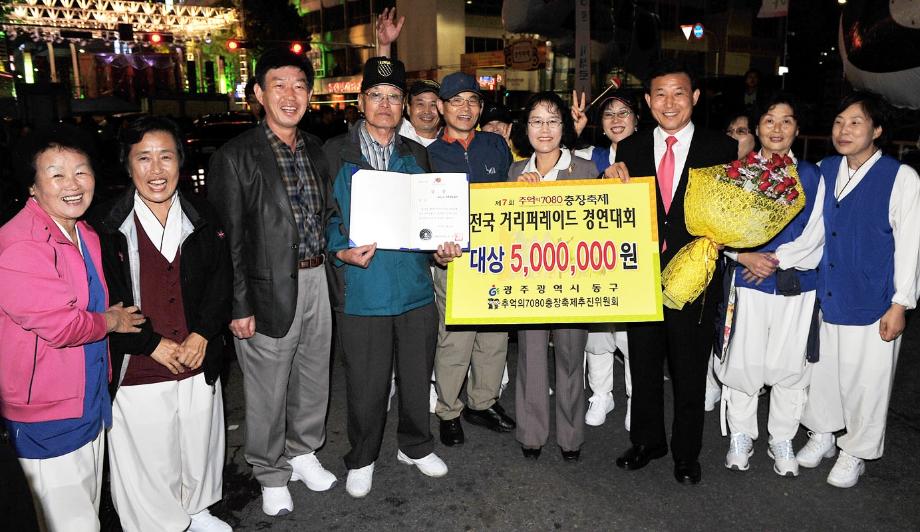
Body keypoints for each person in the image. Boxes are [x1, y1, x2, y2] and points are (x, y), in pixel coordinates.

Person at [324, 57, 462, 498]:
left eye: (394, 97)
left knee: (417, 373)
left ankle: (415, 446)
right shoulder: (332, 153)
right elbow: (320, 218)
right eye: (377, 96)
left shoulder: (416, 153)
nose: (386, 105)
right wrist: (339, 248)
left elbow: (428, 217)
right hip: (362, 289)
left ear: (403, 105)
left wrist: (442, 246)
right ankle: (362, 456)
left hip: (415, 289)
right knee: (366, 381)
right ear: (361, 101)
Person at [208, 47, 337, 517]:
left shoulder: (317, 150)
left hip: (316, 277)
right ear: (259, 93)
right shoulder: (235, 156)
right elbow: (229, 240)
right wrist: (238, 304)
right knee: (266, 386)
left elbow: (327, 215)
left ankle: (303, 450)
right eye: (279, 85)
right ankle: (269, 469)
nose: (291, 94)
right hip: (263, 289)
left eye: (300, 85)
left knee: (313, 373)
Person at [90, 117, 233, 531]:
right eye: (144, 158)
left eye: (165, 157)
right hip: (140, 359)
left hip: (196, 350)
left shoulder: (202, 214)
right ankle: (158, 523)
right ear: (128, 165)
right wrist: (150, 343)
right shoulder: (107, 224)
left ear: (181, 162)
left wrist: (204, 332)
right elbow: (108, 297)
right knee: (148, 451)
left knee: (198, 437)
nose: (156, 170)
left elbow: (222, 282)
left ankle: (195, 509)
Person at [0, 127, 145, 531]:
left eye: (81, 172)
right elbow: (62, 325)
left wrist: (104, 317)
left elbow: (86, 307)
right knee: (67, 521)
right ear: (32, 186)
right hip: (46, 412)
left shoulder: (84, 233)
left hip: (87, 395)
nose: (73, 184)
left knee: (86, 510)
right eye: (56, 174)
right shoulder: (19, 244)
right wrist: (111, 321)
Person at [609, 60, 737, 484]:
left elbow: (732, 214)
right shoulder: (628, 148)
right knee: (643, 367)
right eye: (660, 94)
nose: (669, 102)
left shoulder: (721, 148)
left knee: (688, 371)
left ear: (694, 98)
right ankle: (648, 441)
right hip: (641, 277)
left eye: (679, 93)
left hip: (695, 280)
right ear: (647, 101)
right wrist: (610, 183)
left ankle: (686, 453)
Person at [797, 91, 920, 488]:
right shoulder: (823, 169)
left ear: (877, 130)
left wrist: (901, 302)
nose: (843, 130)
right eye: (838, 122)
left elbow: (911, 245)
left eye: (855, 122)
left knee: (866, 381)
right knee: (823, 373)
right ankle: (823, 435)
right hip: (826, 293)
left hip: (873, 300)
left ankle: (856, 452)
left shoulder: (900, 178)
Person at [717, 94, 825, 478]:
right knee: (744, 362)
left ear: (797, 128)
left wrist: (773, 259)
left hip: (796, 285)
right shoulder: (736, 172)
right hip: (747, 283)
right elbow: (716, 228)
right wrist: (744, 256)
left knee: (790, 367)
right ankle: (742, 434)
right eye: (769, 120)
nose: (777, 129)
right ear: (758, 126)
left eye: (786, 121)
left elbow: (815, 236)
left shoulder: (812, 175)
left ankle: (782, 437)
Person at [427, 72, 515, 447]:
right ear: (442, 108)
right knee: (456, 338)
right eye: (456, 101)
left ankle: (483, 401)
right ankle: (449, 409)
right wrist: (433, 249)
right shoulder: (428, 154)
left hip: (496, 256)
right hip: (454, 260)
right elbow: (423, 213)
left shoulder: (495, 145)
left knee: (494, 337)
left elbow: (513, 191)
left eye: (472, 101)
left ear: (480, 108)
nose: (465, 109)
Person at [509, 91, 595, 461]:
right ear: (525, 128)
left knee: (571, 359)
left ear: (566, 126)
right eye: (536, 121)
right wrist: (515, 195)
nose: (544, 129)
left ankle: (571, 437)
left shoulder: (587, 170)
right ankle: (531, 434)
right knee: (529, 357)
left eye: (553, 120)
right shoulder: (515, 172)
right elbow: (502, 230)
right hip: (528, 280)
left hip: (573, 280)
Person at [571, 92, 638, 428]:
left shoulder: (652, 155)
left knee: (632, 338)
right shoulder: (589, 156)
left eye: (623, 112)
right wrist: (575, 129)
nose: (616, 119)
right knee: (598, 337)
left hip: (634, 261)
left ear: (637, 120)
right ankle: (602, 395)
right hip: (596, 261)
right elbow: (556, 159)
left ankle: (635, 400)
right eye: (609, 114)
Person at [401, 80, 442, 147]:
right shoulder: (395, 135)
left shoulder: (451, 144)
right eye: (420, 104)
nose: (427, 111)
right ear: (408, 109)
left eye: (433, 105)